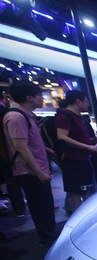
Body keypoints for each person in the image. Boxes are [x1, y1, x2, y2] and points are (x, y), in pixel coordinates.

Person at [2, 81, 56, 247]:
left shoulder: (26, 115)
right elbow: (20, 148)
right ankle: (46, 238)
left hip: (36, 168)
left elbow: (28, 142)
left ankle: (50, 234)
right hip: (29, 171)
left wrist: (46, 150)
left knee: (45, 204)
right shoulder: (16, 117)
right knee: (39, 206)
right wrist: (38, 171)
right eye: (40, 95)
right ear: (29, 97)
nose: (43, 98)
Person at [56, 91, 97, 213]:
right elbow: (62, 137)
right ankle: (78, 219)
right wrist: (88, 147)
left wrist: (91, 141)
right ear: (78, 101)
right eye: (86, 101)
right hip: (73, 160)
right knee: (76, 192)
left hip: (82, 158)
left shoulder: (77, 117)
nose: (88, 104)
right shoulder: (65, 116)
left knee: (86, 190)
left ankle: (87, 217)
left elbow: (75, 136)